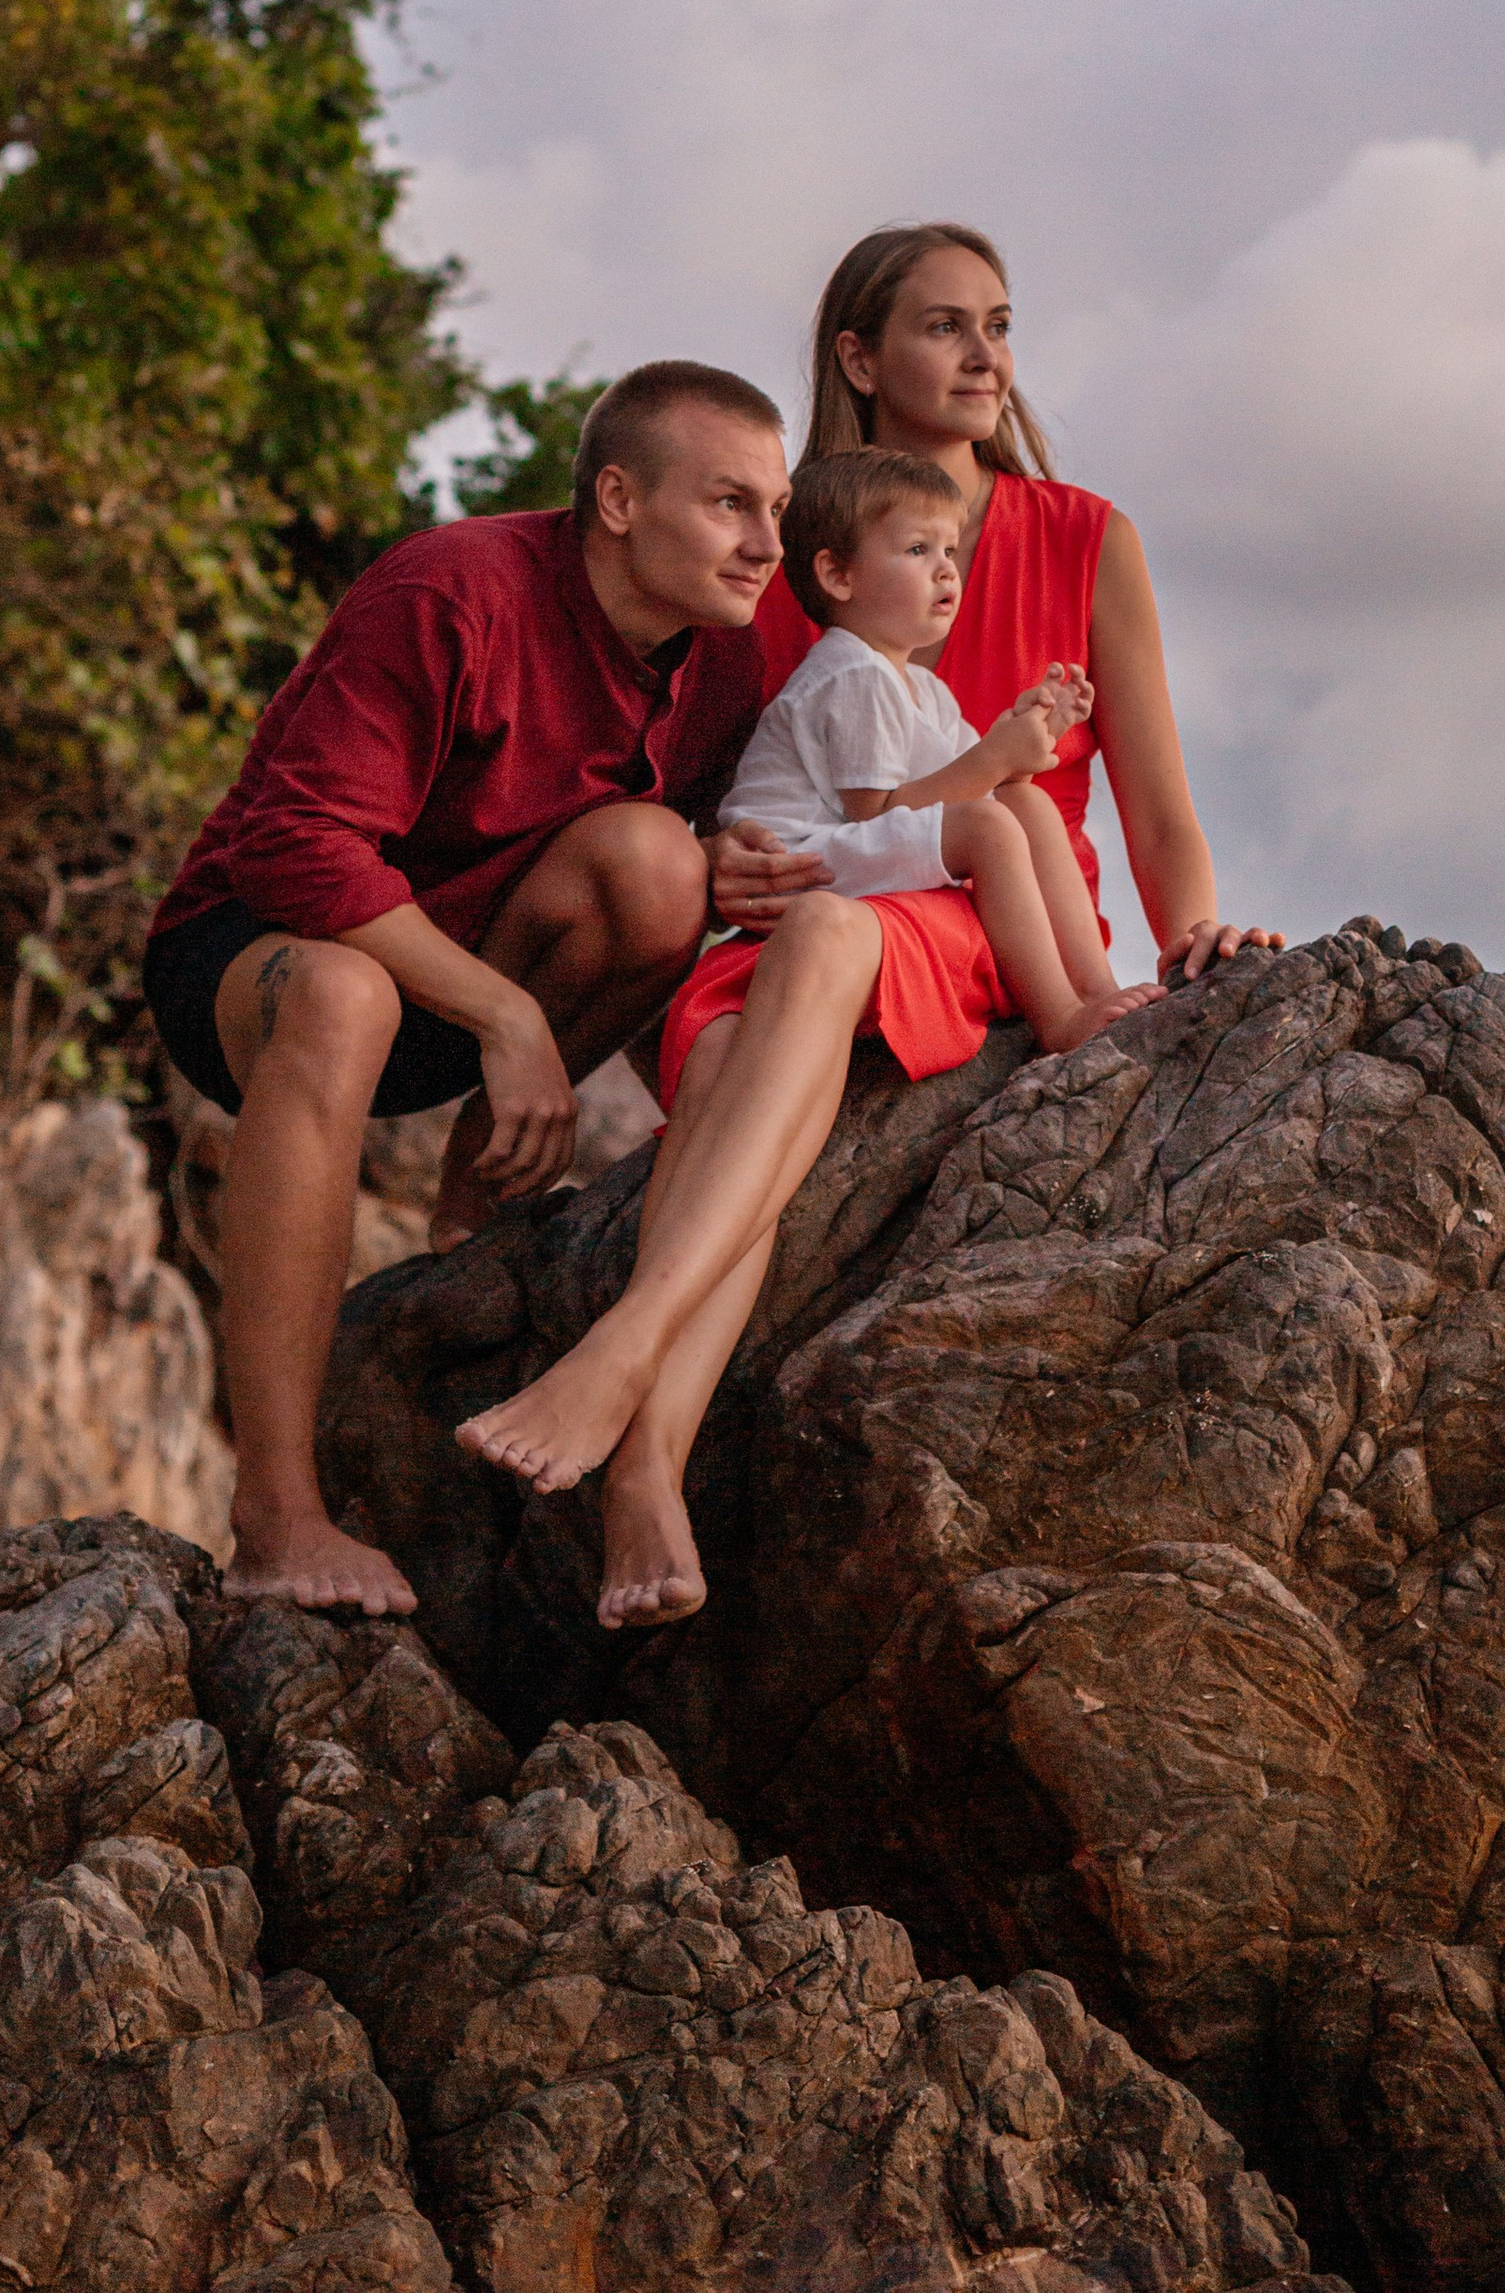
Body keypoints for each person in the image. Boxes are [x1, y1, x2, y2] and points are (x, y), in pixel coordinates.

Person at [460, 221, 1277, 1631]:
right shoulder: (778, 555)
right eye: (944, 326)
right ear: (858, 356)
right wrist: (713, 862)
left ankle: (622, 1354)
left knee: (826, 955)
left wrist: (1192, 935)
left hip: (984, 910)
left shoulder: (1082, 534)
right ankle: (644, 1466)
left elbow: (1155, 803)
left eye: (999, 325)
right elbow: (722, 779)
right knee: (733, 1070)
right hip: (819, 893)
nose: (985, 355)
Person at [141, 358, 791, 1617]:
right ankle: (277, 1517)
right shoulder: (452, 588)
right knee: (345, 996)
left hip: (464, 979)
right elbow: (294, 847)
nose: (765, 544)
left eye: (774, 508)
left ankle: (472, 1203)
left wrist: (743, 867)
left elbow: (664, 880)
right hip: (258, 956)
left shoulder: (725, 664)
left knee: (664, 864)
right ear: (618, 500)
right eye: (730, 504)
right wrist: (507, 1016)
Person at [718, 445, 1159, 1052]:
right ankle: (1058, 1017)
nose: (947, 570)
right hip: (797, 861)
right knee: (987, 830)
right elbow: (874, 812)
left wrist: (1031, 735)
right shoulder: (851, 674)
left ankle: (1096, 987)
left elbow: (990, 787)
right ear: (839, 576)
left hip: (844, 847)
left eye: (949, 550)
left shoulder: (922, 687)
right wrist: (996, 758)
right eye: (917, 550)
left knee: (1028, 808)